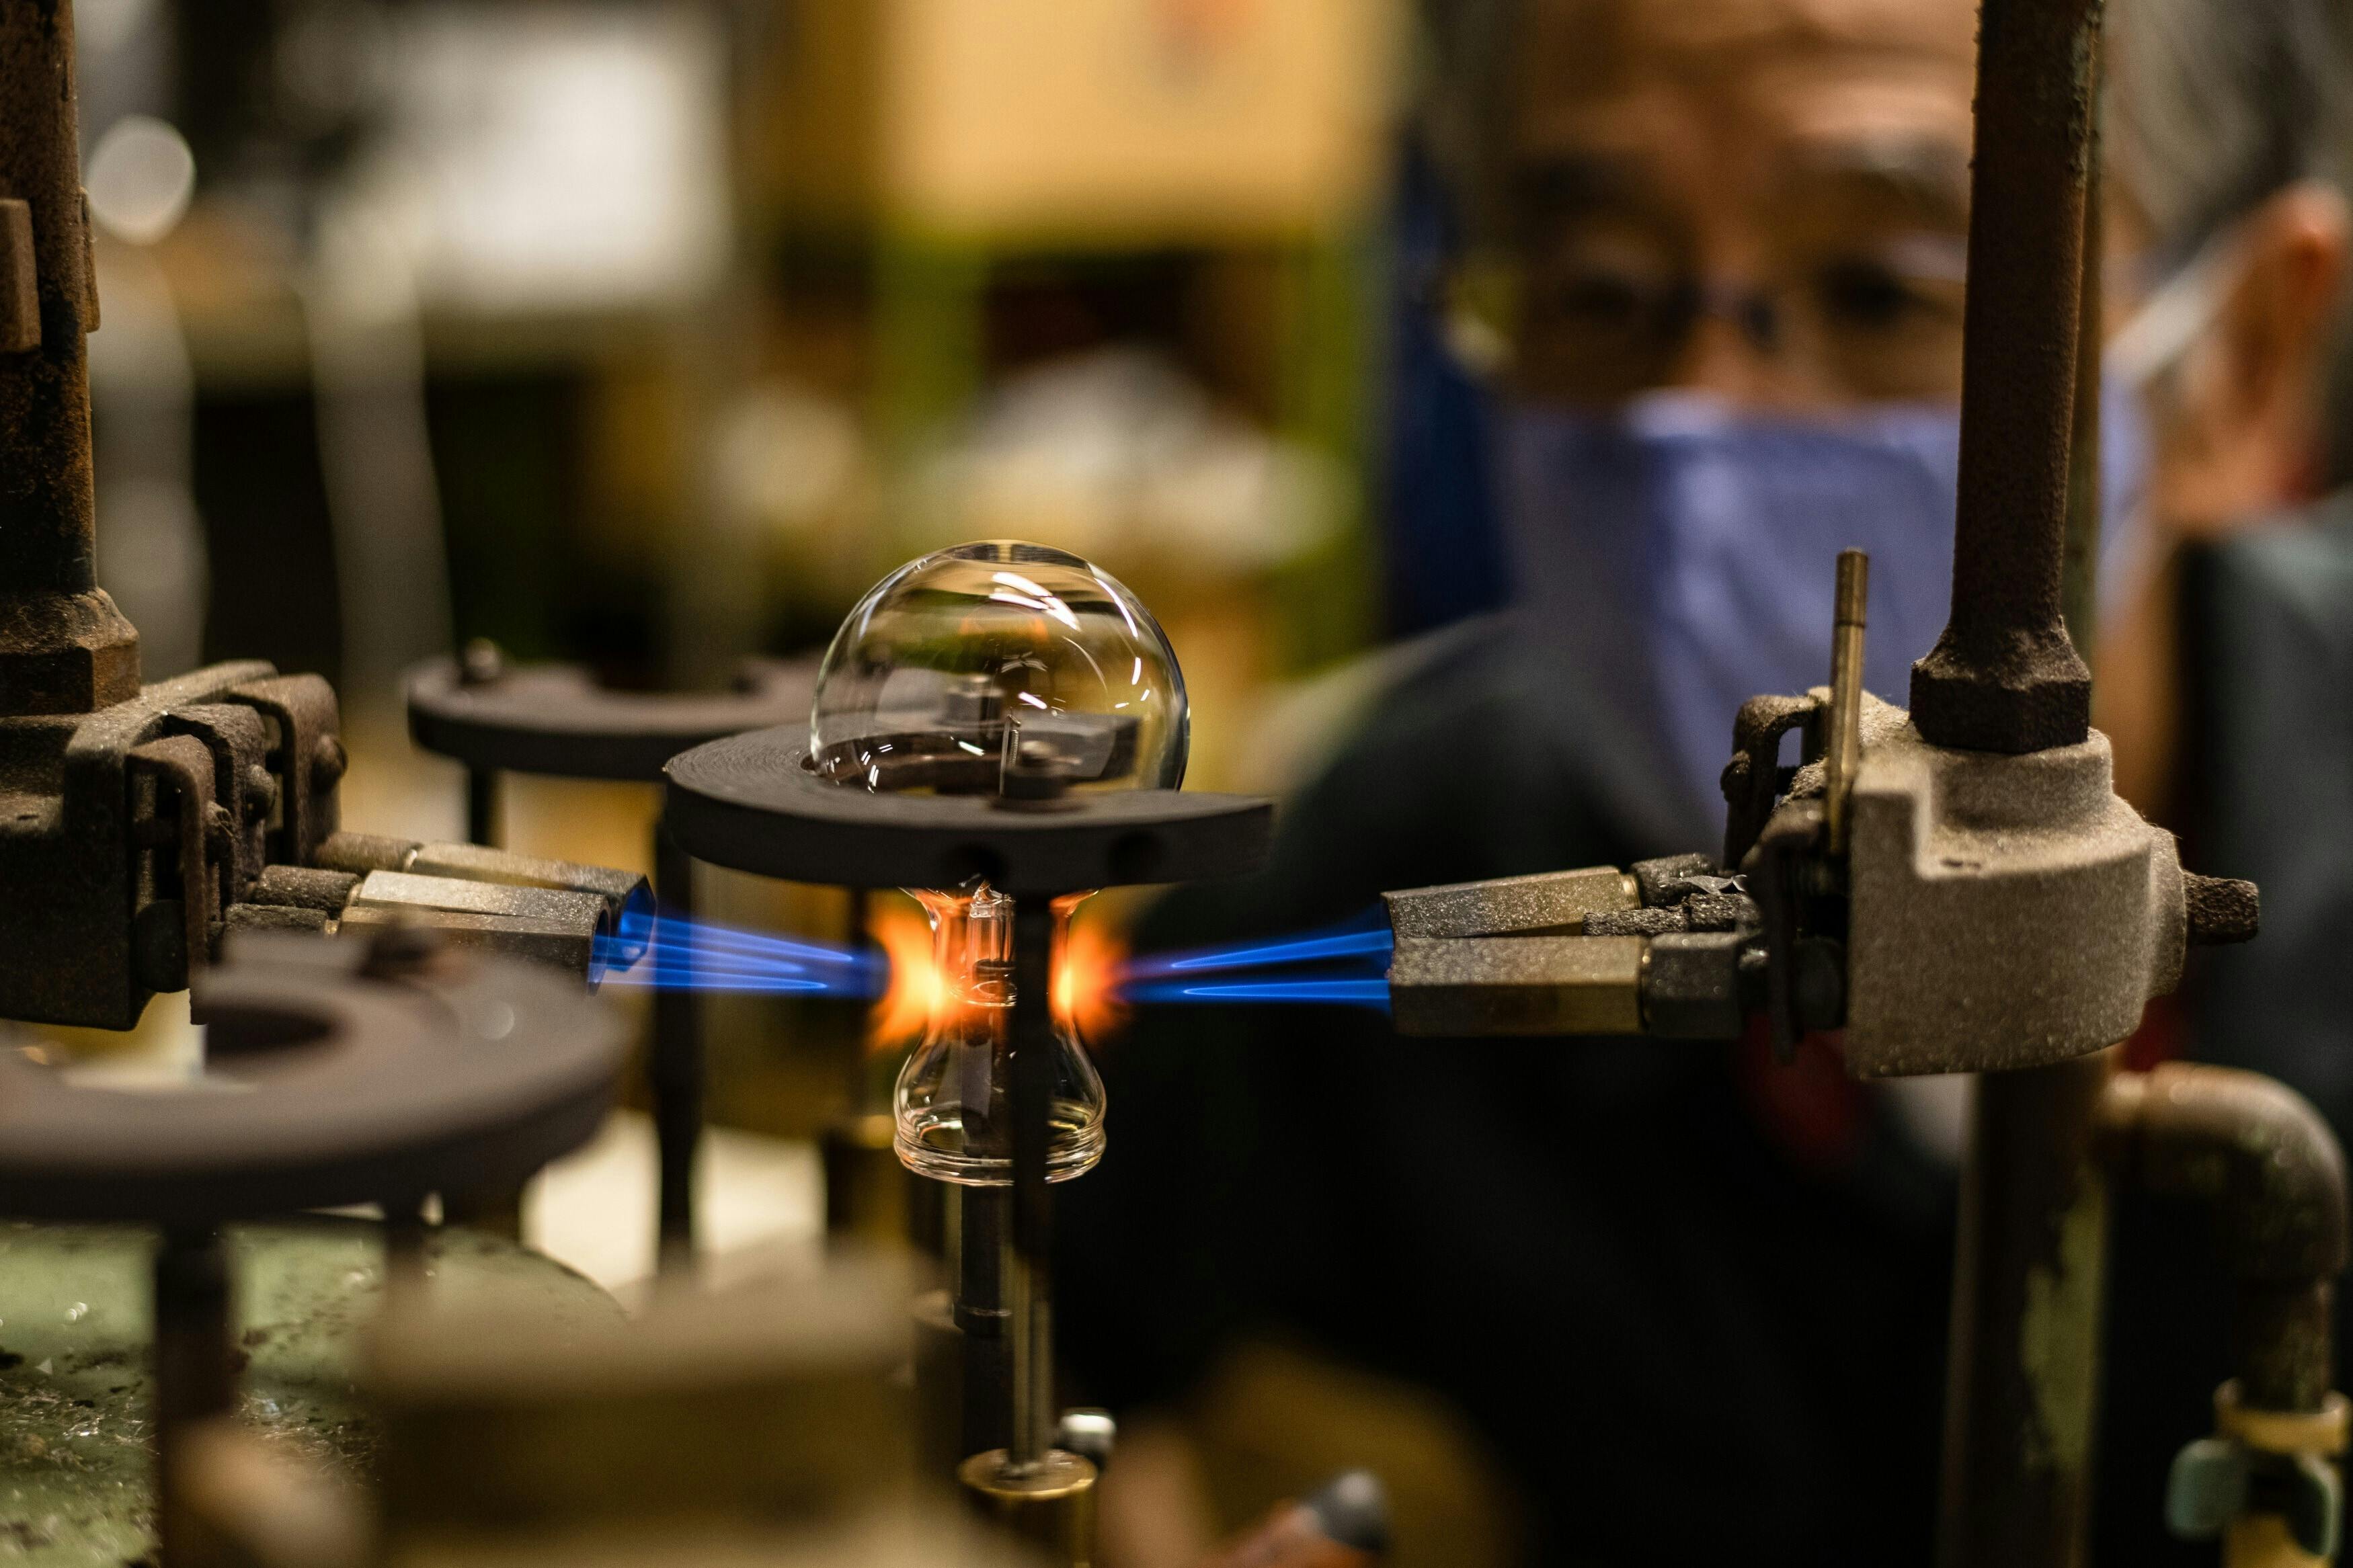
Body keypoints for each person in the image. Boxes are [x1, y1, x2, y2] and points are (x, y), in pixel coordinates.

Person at [1056, 0, 2353, 1561]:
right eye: (1598, 289)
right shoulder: (1394, 868)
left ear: (2246, 358)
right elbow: (1038, 1349)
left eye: (1875, 289)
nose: (1692, 425)